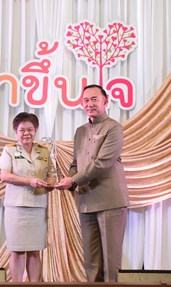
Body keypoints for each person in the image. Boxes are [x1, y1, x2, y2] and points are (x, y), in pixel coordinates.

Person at [54, 84, 129, 282]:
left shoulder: (114, 127)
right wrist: (69, 180)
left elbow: (102, 162)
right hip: (86, 200)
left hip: (110, 200)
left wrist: (73, 180)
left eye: (94, 99)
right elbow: (76, 163)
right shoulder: (80, 131)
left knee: (111, 260)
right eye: (86, 100)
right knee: (92, 261)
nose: (90, 104)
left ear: (105, 101)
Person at [0, 112, 53, 282]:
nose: (26, 133)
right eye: (22, 130)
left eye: (30, 129)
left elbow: (50, 175)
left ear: (36, 130)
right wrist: (29, 181)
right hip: (16, 208)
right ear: (16, 131)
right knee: (17, 251)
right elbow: (5, 176)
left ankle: (34, 285)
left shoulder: (44, 151)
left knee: (35, 251)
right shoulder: (9, 150)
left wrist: (51, 184)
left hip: (38, 207)